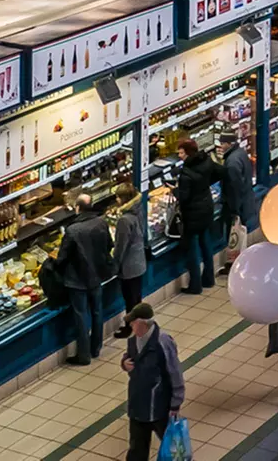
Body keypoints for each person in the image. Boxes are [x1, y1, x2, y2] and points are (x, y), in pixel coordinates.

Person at [50, 192, 116, 363]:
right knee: (97, 312)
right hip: (97, 276)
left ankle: (83, 355)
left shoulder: (72, 230)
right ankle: (96, 348)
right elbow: (109, 245)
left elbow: (62, 258)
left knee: (81, 316)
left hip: (77, 280)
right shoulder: (101, 222)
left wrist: (53, 264)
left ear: (78, 208)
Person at [122, 304, 184, 461]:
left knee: (175, 451)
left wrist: (175, 404)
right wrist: (124, 363)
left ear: (142, 323)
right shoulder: (133, 341)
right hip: (138, 405)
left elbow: (175, 373)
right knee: (137, 450)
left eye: (133, 322)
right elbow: (128, 357)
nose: (130, 325)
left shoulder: (163, 343)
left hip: (160, 407)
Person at [173, 139, 225, 294]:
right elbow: (222, 171)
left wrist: (174, 191)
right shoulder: (206, 161)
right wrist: (205, 185)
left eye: (181, 153)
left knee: (192, 250)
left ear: (188, 153)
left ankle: (195, 285)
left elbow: (184, 197)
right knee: (206, 244)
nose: (179, 156)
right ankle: (208, 279)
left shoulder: (186, 173)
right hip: (207, 208)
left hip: (192, 215)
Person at [219, 131, 256, 271]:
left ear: (229, 144)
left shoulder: (232, 163)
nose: (220, 146)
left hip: (237, 206)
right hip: (246, 201)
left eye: (222, 143)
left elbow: (234, 189)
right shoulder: (240, 153)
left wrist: (235, 211)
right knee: (239, 237)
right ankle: (237, 263)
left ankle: (235, 266)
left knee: (234, 238)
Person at [112, 189, 147, 339]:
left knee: (130, 299)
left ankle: (129, 327)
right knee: (136, 297)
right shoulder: (139, 209)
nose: (116, 200)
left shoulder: (124, 220)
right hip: (139, 261)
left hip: (129, 266)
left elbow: (121, 246)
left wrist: (115, 264)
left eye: (118, 197)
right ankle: (139, 323)